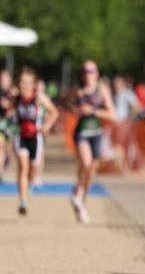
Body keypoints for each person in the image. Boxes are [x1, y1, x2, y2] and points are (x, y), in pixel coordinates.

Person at [65, 60, 116, 223]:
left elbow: (113, 114)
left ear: (97, 73)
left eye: (91, 71)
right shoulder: (77, 90)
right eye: (85, 71)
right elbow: (65, 102)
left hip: (97, 133)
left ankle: (81, 201)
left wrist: (93, 111)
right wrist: (75, 110)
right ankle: (78, 194)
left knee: (92, 171)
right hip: (82, 133)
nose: (88, 75)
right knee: (86, 164)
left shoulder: (102, 90)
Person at [14, 68, 59, 215]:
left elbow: (54, 112)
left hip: (36, 138)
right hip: (20, 136)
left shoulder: (39, 97)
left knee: (32, 170)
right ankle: (23, 202)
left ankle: (30, 182)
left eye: (27, 82)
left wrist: (47, 125)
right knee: (22, 166)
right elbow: (3, 109)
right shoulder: (15, 97)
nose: (24, 85)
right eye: (21, 82)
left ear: (33, 84)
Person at [0, 70, 17, 184]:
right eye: (1, 79)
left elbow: (18, 106)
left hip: (10, 124)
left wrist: (10, 107)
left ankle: (8, 159)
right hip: (0, 123)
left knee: (10, 149)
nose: (3, 81)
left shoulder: (14, 92)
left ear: (9, 80)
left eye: (5, 79)